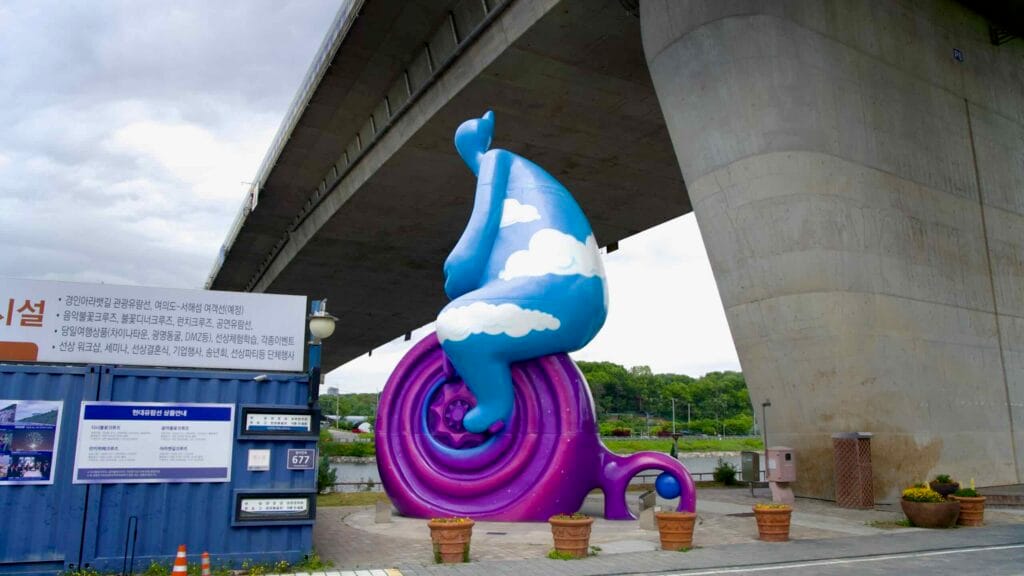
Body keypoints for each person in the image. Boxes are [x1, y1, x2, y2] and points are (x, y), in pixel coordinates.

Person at [436, 111, 608, 433]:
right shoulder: (523, 175)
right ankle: (482, 369)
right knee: (471, 324)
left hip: (553, 290)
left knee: (456, 323)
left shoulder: (495, 162)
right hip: (576, 295)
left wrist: (456, 268)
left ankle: (495, 405)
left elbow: (479, 231)